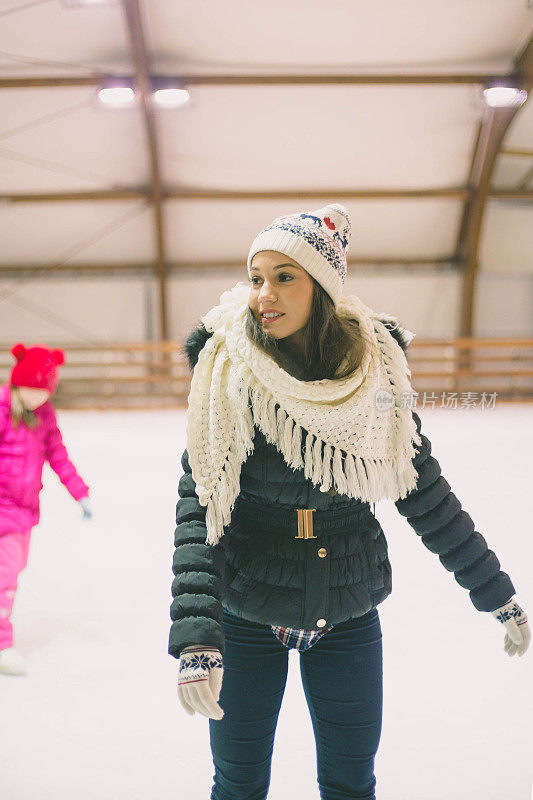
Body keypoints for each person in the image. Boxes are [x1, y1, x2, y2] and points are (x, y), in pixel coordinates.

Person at [169, 203, 530, 800]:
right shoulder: (227, 377)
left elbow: (426, 494)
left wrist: (497, 594)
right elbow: (199, 513)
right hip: (248, 612)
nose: (265, 294)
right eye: (258, 277)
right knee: (237, 785)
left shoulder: (375, 382)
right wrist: (197, 639)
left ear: (323, 287)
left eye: (286, 277)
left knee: (350, 784)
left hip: (348, 612)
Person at [0, 344, 91, 676]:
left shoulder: (45, 414)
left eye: (44, 392)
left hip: (25, 510)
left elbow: (57, 454)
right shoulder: (2, 408)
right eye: (32, 390)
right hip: (3, 508)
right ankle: (1, 644)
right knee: (6, 576)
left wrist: (79, 492)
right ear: (17, 383)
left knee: (13, 569)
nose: (38, 398)